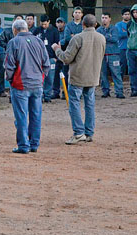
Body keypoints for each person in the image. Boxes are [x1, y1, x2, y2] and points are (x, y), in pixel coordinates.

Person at [53, 14, 106, 145]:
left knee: (74, 104)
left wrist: (57, 50)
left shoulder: (78, 38)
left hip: (78, 77)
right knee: (90, 104)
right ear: (95, 25)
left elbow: (66, 58)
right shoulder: (101, 38)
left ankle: (78, 133)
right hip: (93, 76)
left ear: (83, 24)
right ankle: (89, 133)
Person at [4, 19, 50, 154]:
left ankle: (24, 145)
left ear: (14, 30)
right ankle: (34, 144)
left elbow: (9, 65)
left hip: (21, 84)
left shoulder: (14, 42)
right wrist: (41, 78)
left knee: (21, 116)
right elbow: (46, 64)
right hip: (37, 84)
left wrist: (11, 80)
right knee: (36, 115)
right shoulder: (38, 41)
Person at [33, 15, 61, 103]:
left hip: (51, 57)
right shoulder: (37, 30)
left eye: (45, 24)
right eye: (42, 24)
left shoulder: (54, 31)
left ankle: (48, 96)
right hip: (38, 58)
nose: (43, 26)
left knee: (50, 78)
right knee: (39, 78)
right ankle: (39, 96)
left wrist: (56, 57)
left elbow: (57, 44)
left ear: (48, 22)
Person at [97, 13, 125, 99]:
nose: (104, 19)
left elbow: (115, 39)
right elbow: (98, 40)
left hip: (114, 55)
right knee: (103, 74)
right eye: (102, 18)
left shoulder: (114, 28)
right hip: (102, 55)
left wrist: (104, 37)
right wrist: (108, 36)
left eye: (106, 18)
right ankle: (105, 91)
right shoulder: (98, 29)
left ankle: (119, 92)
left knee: (116, 73)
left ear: (110, 19)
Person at [115, 8, 130, 90]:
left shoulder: (133, 24)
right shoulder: (118, 25)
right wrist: (129, 33)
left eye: (128, 14)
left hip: (132, 48)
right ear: (122, 15)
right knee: (122, 67)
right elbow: (119, 34)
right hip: (122, 48)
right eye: (125, 14)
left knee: (132, 68)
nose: (127, 16)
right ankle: (119, 85)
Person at [127, 5, 137, 96]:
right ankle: (134, 89)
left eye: (136, 12)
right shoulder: (130, 24)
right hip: (131, 50)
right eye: (133, 12)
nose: (135, 14)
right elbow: (128, 35)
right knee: (132, 70)